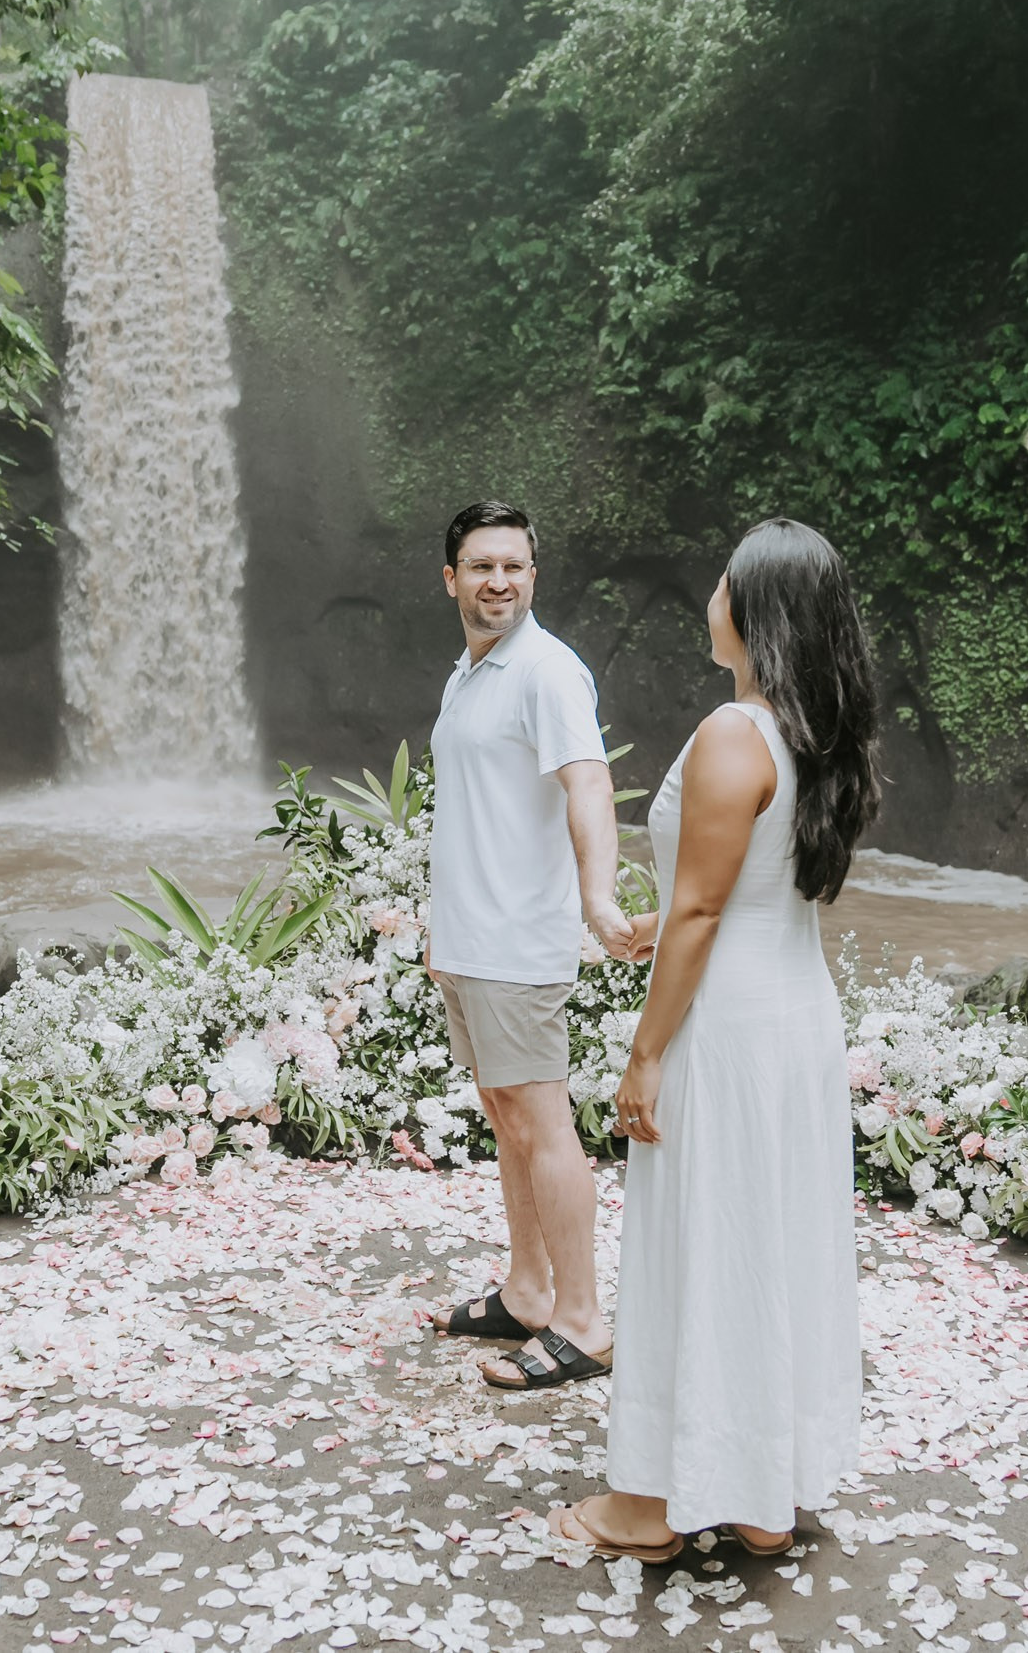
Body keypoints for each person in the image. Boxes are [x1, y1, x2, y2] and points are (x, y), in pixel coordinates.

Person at [549, 518, 881, 1562]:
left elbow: (700, 913)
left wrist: (644, 1052)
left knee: (695, 1237)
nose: (708, 594)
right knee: (764, 1238)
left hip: (726, 1028)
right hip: (788, 1010)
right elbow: (747, 890)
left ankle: (649, 1505)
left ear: (753, 608)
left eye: (721, 579)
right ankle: (759, 1491)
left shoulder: (737, 732)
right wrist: (664, 923)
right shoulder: (810, 729)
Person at [424, 499, 636, 1390]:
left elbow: (587, 784)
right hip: (471, 944)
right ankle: (529, 1290)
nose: (498, 580)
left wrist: (597, 896)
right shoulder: (469, 674)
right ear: (452, 579)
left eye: (513, 565)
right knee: (509, 1121)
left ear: (534, 576)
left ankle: (583, 1321)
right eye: (481, 565)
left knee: (544, 1127)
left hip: (518, 946)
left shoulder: (549, 671)